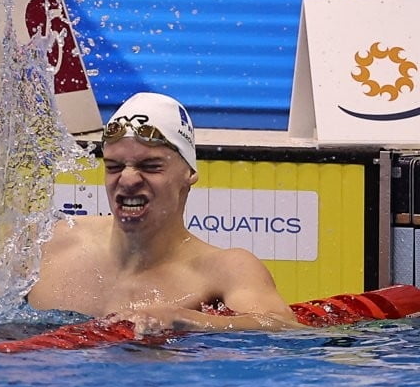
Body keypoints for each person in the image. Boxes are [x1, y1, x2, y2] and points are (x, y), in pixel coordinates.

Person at [27, 92, 301, 334]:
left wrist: (186, 318)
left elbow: (282, 326)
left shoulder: (224, 269)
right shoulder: (51, 243)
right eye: (113, 167)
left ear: (189, 173)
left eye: (150, 166)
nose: (127, 180)